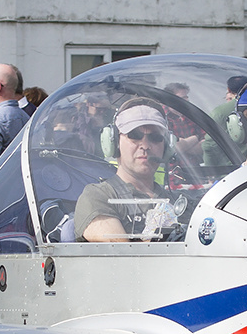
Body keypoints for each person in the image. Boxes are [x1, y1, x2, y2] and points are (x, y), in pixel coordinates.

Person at [74, 101, 178, 242]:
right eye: (134, 135)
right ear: (114, 142)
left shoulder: (178, 202)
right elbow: (126, 256)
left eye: (155, 137)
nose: (146, 146)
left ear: (167, 147)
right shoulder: (98, 197)